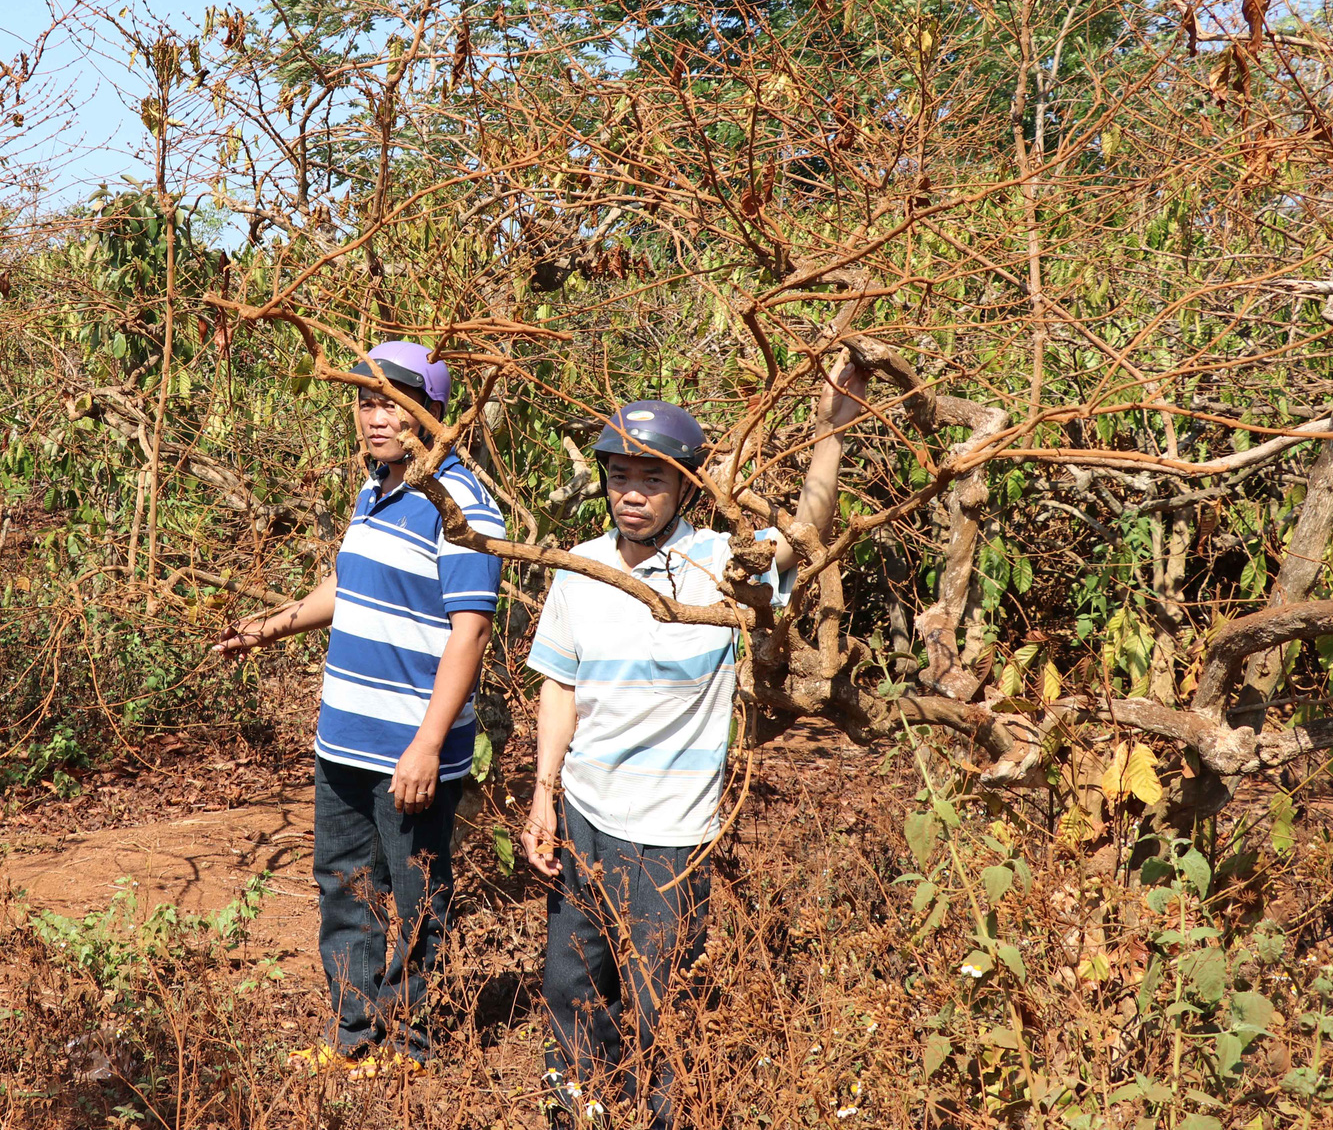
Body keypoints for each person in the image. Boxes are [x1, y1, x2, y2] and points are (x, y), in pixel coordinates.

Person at [520, 364, 867, 1129]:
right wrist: (545, 794)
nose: (633, 493)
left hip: (671, 832)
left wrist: (830, 433)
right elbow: (560, 688)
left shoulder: (722, 564)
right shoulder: (581, 569)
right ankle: (575, 1110)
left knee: (662, 1001)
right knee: (572, 984)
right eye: (620, 475)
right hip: (584, 813)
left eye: (654, 477)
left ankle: (664, 1113)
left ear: (684, 487)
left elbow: (802, 536)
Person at [215, 340, 504, 1078]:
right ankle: (354, 1033)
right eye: (367, 401)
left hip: (411, 750)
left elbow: (469, 633)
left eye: (395, 404)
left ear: (434, 414)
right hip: (342, 739)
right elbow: (344, 588)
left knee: (416, 897)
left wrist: (428, 745)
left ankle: (410, 1046)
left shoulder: (462, 505)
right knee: (344, 886)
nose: (377, 418)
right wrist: (266, 628)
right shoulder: (375, 486)